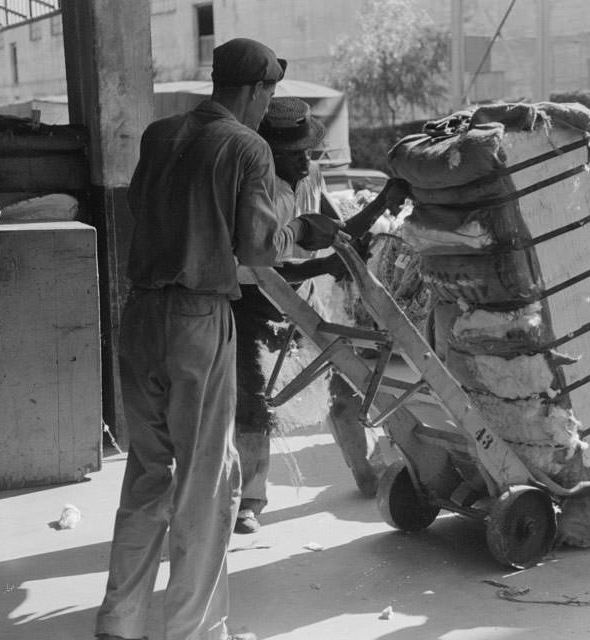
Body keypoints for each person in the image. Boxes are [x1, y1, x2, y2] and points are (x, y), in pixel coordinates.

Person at [94, 38, 344, 640]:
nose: (268, 105)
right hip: (197, 320)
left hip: (139, 316)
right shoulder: (247, 145)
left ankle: (119, 621)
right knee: (208, 482)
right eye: (269, 93)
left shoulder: (159, 135)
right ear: (258, 90)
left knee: (149, 475)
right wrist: (302, 230)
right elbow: (259, 248)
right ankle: (194, 631)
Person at [232, 97, 411, 534]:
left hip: (305, 301)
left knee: (346, 385)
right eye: (295, 154)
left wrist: (382, 202)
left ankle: (368, 474)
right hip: (254, 304)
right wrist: (321, 264)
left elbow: (340, 232)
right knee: (255, 407)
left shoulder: (310, 176)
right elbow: (256, 262)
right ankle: (249, 502)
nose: (306, 161)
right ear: (268, 152)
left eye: (309, 152)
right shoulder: (252, 190)